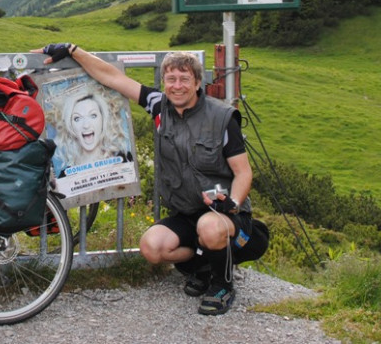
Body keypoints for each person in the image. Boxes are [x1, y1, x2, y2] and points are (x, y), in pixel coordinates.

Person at [36, 43, 254, 316]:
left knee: (210, 228)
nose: (177, 86)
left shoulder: (221, 118)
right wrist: (72, 50)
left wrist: (232, 202)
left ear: (198, 83)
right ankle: (205, 264)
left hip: (222, 213)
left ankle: (222, 286)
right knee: (152, 247)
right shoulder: (158, 106)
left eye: (185, 79)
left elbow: (243, 172)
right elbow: (112, 77)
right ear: (163, 82)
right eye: (171, 79)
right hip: (186, 212)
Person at [53, 88, 132, 177]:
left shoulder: (124, 159)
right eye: (77, 118)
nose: (86, 125)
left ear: (103, 120)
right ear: (70, 126)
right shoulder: (65, 175)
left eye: (93, 116)